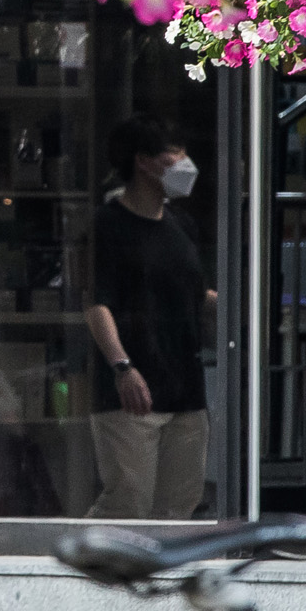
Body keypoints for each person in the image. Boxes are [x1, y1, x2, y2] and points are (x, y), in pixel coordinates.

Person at [83, 115, 214, 519]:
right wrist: (122, 366)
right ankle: (75, 568)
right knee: (127, 503)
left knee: (178, 507)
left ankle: (163, 582)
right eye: (174, 154)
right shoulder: (108, 225)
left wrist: (248, 310)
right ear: (143, 161)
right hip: (133, 391)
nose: (184, 163)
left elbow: (195, 294)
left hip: (184, 387)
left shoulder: (181, 225)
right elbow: (96, 303)